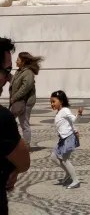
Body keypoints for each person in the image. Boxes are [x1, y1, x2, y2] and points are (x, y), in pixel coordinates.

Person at [0, 36, 30, 215]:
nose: (8, 78)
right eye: (7, 70)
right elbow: (24, 161)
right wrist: (15, 168)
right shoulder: (2, 119)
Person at [50, 90, 83, 188]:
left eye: (54, 101)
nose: (52, 104)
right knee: (53, 157)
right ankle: (68, 173)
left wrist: (79, 114)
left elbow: (74, 120)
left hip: (68, 138)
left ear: (61, 101)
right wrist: (75, 129)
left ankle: (75, 181)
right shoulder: (59, 112)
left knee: (64, 159)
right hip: (62, 139)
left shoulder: (65, 110)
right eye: (51, 102)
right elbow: (69, 123)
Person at [9, 51, 42, 145]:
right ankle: (14, 141)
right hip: (18, 101)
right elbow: (15, 82)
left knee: (24, 124)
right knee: (12, 121)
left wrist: (14, 97)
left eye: (18, 59)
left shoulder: (28, 72)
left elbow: (25, 88)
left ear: (23, 61)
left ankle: (26, 145)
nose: (16, 61)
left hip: (25, 102)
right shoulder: (19, 71)